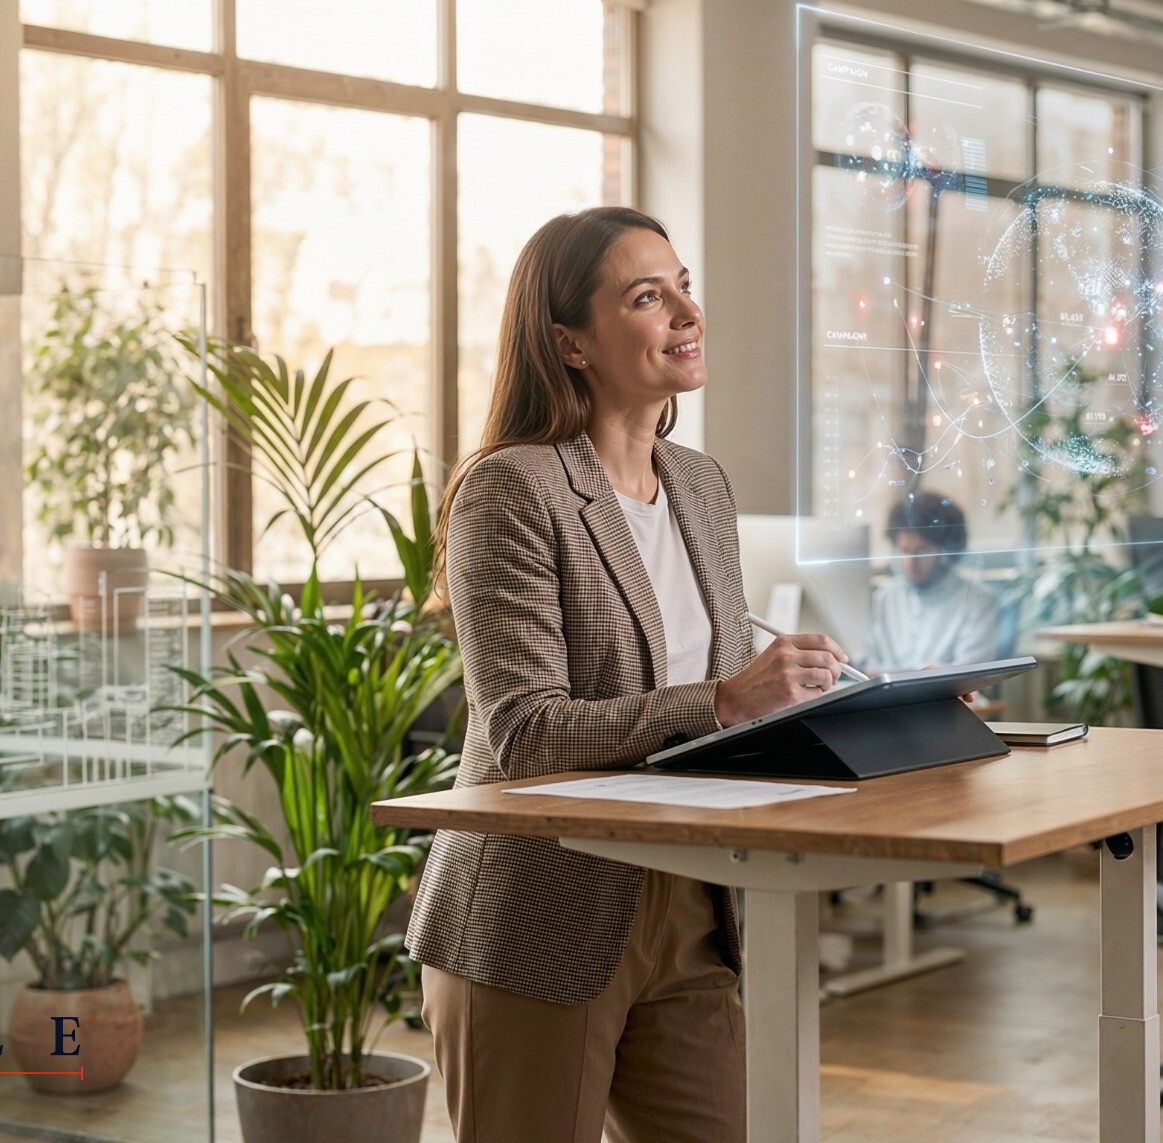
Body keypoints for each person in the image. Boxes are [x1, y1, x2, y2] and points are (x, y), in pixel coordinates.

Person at [407, 207, 852, 1143]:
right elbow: (525, 732)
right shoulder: (512, 489)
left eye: (684, 285)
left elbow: (733, 693)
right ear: (568, 341)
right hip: (540, 910)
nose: (687, 311)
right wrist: (727, 699)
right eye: (649, 296)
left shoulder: (701, 485)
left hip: (690, 901)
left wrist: (860, 702)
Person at [863, 490, 1001, 673]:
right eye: (905, 550)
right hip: (888, 700)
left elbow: (968, 675)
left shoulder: (978, 600)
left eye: (922, 550)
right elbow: (869, 665)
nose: (911, 562)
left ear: (947, 550)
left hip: (953, 700)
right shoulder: (885, 597)